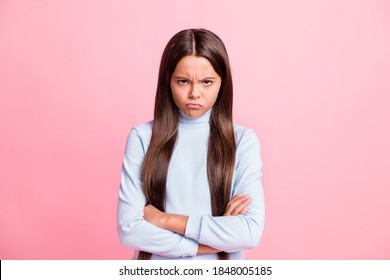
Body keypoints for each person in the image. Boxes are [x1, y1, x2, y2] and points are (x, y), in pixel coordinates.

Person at [117, 28, 264, 260]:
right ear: (168, 81)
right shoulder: (142, 137)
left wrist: (165, 220)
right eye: (183, 81)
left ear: (222, 83)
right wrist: (212, 241)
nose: (194, 93)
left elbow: (249, 232)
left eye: (207, 82)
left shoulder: (243, 141)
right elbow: (130, 231)